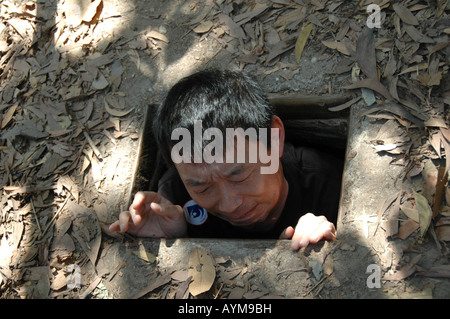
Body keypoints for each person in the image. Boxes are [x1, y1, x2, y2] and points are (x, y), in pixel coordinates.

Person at [109, 69, 342, 250]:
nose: (229, 204)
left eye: (239, 175)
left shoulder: (328, 184)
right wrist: (176, 238)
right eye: (202, 187)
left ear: (275, 138)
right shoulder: (173, 200)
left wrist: (326, 234)